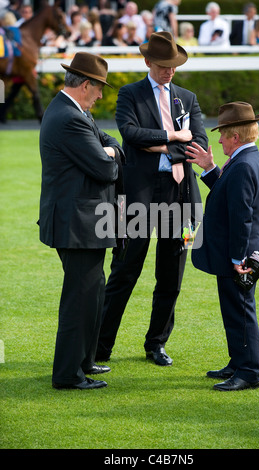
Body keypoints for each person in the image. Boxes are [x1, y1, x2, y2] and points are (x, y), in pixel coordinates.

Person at [96, 31, 208, 366]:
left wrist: (158, 145)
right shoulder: (130, 94)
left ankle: (156, 344)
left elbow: (199, 141)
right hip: (139, 195)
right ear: (148, 62)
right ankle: (100, 348)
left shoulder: (187, 98)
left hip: (181, 195)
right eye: (163, 65)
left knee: (171, 275)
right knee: (125, 272)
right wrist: (174, 136)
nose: (169, 71)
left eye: (173, 65)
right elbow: (130, 135)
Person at [39, 52, 124, 390]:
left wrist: (110, 149)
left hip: (83, 222)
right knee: (80, 297)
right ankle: (68, 374)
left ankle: (85, 361)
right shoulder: (69, 117)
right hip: (78, 224)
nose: (101, 95)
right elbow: (105, 168)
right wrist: (110, 155)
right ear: (86, 84)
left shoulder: (73, 111)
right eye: (99, 88)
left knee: (93, 293)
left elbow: (108, 143)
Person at [185, 101, 259, 391]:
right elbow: (228, 195)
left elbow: (241, 217)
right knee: (235, 310)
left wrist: (238, 258)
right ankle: (238, 362)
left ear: (235, 136)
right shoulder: (247, 160)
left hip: (240, 257)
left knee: (241, 312)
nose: (219, 139)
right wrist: (210, 168)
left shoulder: (243, 166)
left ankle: (248, 371)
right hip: (238, 254)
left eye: (223, 134)